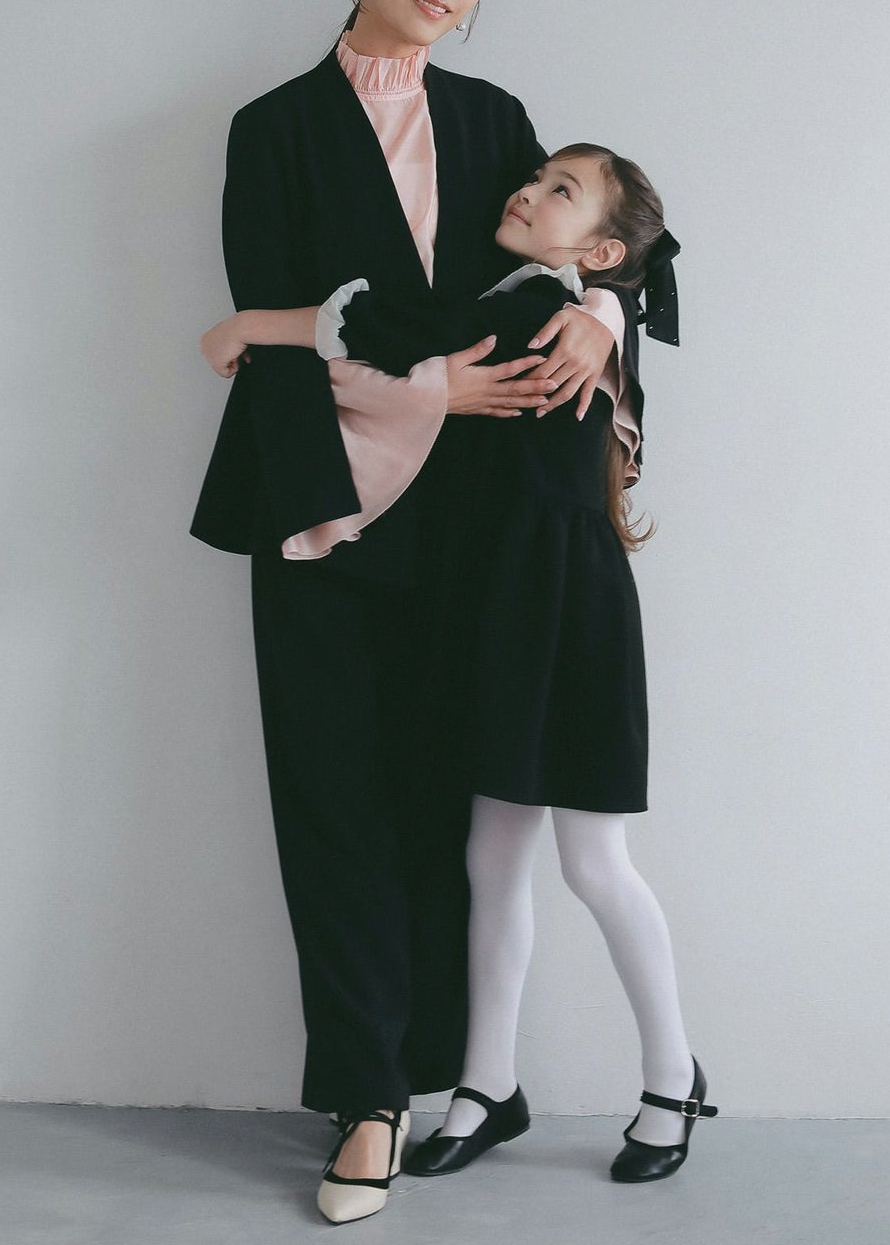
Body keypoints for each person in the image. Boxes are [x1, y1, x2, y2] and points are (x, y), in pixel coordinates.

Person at [188, 0, 627, 1224]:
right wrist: (432, 387)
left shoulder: (495, 121)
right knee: (331, 800)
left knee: (448, 797)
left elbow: (609, 241)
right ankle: (367, 1098)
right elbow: (272, 328)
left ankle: (455, 1075)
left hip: (479, 525)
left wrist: (604, 314)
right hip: (321, 506)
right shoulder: (273, 129)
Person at [200, 144, 716, 1207]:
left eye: (561, 191)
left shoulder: (547, 314)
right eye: (537, 177)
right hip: (501, 610)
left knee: (594, 863)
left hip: (566, 615)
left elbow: (373, 337)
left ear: (602, 251)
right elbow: (405, 336)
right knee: (490, 858)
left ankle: (674, 1078)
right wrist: (608, 302)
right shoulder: (538, 302)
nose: (528, 190)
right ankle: (486, 1086)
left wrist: (251, 326)